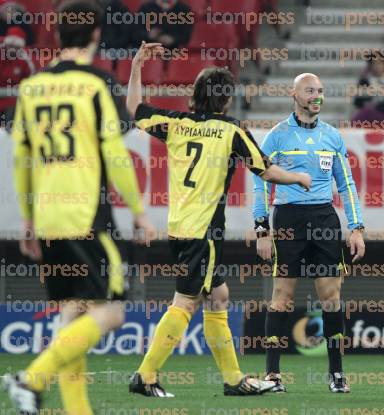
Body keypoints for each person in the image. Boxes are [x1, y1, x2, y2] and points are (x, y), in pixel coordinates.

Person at [126, 42, 312, 397]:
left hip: (179, 227)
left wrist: (136, 67)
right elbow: (266, 171)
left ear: (195, 96)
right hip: (204, 232)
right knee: (185, 302)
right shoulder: (231, 130)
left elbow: (134, 108)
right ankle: (145, 376)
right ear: (226, 101)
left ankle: (232, 379)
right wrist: (299, 178)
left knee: (219, 296)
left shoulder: (177, 123)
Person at [2, 3, 156, 414]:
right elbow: (114, 152)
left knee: (73, 315)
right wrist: (139, 211)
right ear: (95, 36)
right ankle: (31, 378)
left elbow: (22, 158)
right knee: (112, 313)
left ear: (55, 37)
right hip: (86, 215)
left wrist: (30, 220)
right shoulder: (97, 83)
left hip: (50, 217)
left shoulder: (31, 88)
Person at [253, 72, 366, 393]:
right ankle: (273, 375)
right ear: (293, 94)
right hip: (288, 219)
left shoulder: (332, 136)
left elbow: (347, 185)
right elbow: (259, 181)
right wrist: (261, 228)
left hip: (325, 219)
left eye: (320, 91)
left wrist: (356, 228)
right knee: (282, 297)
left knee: (331, 298)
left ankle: (336, 374)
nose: (317, 96)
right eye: (310, 90)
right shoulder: (276, 137)